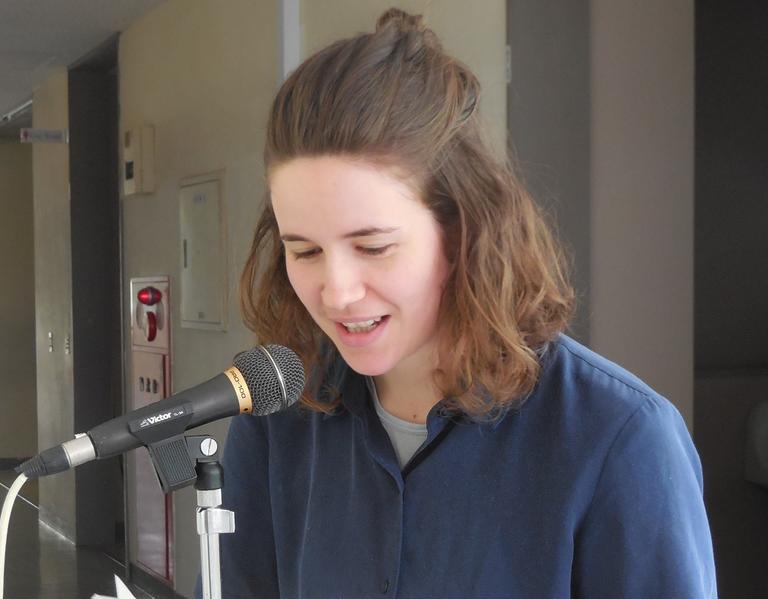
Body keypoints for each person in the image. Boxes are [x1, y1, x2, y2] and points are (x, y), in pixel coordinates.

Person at [207, 8, 717, 598]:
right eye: (305, 251)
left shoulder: (619, 438)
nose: (338, 291)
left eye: (373, 247)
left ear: (460, 230)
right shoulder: (280, 420)